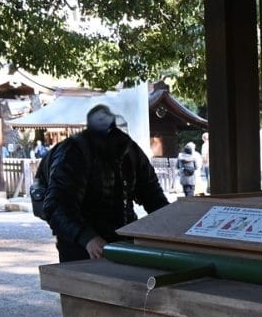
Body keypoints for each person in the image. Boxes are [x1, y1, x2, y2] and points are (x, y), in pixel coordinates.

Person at [43, 104, 169, 263]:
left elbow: (153, 196)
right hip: (81, 249)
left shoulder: (130, 151)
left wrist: (171, 228)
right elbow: (56, 206)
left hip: (123, 240)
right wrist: (87, 238)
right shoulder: (74, 153)